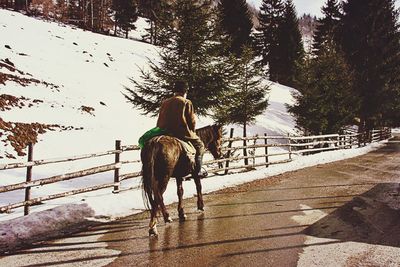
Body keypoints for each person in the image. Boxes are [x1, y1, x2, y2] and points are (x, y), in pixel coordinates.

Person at [156, 80, 208, 178]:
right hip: (180, 133)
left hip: (163, 132)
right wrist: (192, 132)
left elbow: (160, 118)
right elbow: (192, 121)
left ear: (174, 91)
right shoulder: (186, 102)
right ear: (185, 92)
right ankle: (198, 171)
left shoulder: (165, 102)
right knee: (200, 145)